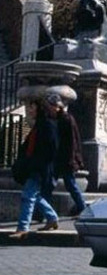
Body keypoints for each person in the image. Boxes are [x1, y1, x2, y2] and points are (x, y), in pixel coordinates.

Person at [10, 99, 60, 239]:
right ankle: (52, 218)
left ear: (39, 108)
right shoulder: (39, 125)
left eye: (32, 107)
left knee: (27, 196)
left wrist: (38, 162)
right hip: (34, 167)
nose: (29, 110)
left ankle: (22, 228)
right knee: (34, 195)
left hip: (39, 168)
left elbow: (52, 149)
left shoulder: (48, 125)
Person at [41, 93, 87, 216]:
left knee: (70, 184)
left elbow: (72, 142)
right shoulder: (53, 119)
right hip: (57, 158)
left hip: (66, 158)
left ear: (57, 107)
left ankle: (82, 207)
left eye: (51, 106)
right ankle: (42, 212)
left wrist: (72, 160)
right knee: (49, 185)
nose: (49, 109)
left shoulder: (66, 119)